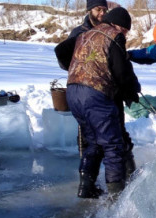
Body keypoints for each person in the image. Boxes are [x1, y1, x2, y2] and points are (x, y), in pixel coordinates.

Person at [55, 2, 137, 192]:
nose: (124, 34)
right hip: (96, 95)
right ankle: (117, 197)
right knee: (113, 145)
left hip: (74, 92)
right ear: (117, 25)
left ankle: (86, 187)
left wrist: (79, 70)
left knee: (93, 141)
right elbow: (121, 71)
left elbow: (60, 50)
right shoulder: (113, 35)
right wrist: (130, 90)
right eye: (124, 30)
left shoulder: (84, 34)